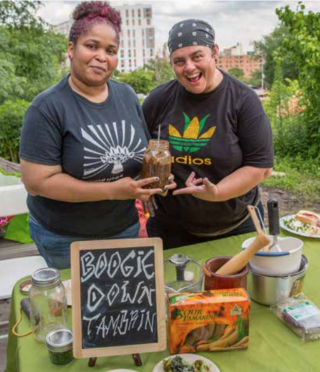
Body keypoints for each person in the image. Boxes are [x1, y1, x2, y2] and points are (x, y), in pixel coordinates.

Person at [19, 1, 175, 269]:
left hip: (123, 228)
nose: (102, 56)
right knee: (74, 308)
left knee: (119, 305)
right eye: (92, 46)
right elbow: (37, 183)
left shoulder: (126, 96)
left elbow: (138, 154)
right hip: (66, 238)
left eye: (110, 50)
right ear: (71, 49)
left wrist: (149, 181)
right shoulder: (47, 107)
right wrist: (114, 190)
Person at [142, 19, 273, 249]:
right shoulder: (158, 99)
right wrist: (145, 181)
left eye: (197, 56)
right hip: (171, 230)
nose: (189, 67)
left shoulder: (243, 100)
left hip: (236, 227)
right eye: (179, 61)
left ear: (214, 52)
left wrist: (218, 192)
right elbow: (136, 151)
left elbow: (261, 167)